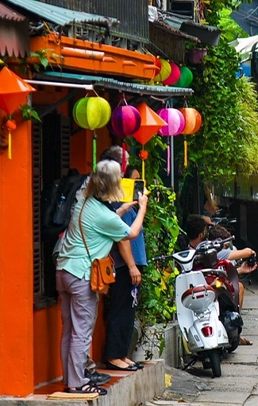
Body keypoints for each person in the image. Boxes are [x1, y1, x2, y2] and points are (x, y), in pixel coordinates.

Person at [56, 160, 147, 395]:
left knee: (69, 329)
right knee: (81, 331)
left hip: (64, 271)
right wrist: (143, 207)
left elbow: (101, 222)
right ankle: (77, 384)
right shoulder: (102, 214)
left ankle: (70, 377)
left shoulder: (83, 202)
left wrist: (122, 210)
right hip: (81, 275)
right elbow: (132, 232)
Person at [102, 166, 147, 372]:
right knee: (121, 309)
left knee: (129, 310)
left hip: (131, 265)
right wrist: (131, 266)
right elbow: (123, 238)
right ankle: (114, 355)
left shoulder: (128, 206)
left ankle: (121, 354)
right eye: (134, 181)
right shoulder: (121, 205)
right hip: (124, 266)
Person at [186, 216, 257, 312]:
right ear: (202, 235)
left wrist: (240, 270)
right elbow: (247, 252)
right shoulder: (210, 251)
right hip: (207, 286)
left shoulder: (186, 252)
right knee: (238, 287)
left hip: (195, 285)